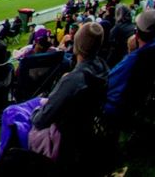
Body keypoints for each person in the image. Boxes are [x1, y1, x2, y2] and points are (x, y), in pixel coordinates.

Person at [31, 22, 107, 169]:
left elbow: (40, 120)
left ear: (77, 45)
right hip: (83, 132)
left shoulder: (74, 80)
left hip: (64, 140)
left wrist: (35, 112)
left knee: (13, 114)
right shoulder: (103, 69)